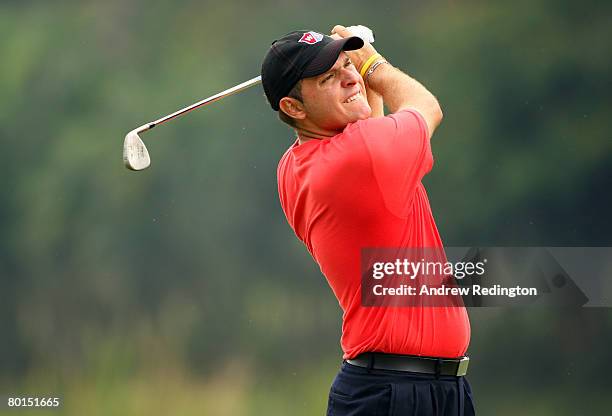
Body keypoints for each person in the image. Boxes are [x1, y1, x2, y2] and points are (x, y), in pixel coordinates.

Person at [261, 25, 475, 415]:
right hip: (395, 393)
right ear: (293, 108)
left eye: (347, 65)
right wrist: (372, 63)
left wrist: (360, 86)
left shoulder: (295, 166)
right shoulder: (355, 157)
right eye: (330, 77)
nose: (349, 77)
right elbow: (427, 107)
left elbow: (370, 133)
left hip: (421, 388)